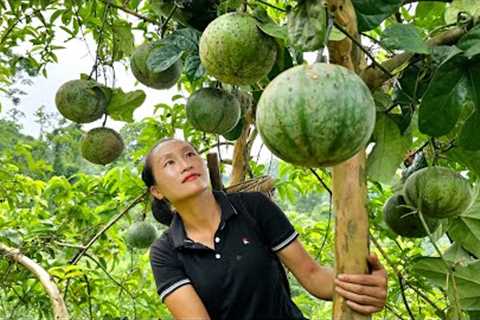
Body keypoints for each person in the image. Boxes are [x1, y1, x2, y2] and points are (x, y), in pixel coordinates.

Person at [142, 137, 388, 320]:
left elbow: (313, 275)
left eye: (190, 154)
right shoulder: (166, 252)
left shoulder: (254, 208)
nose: (186, 164)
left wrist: (360, 286)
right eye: (170, 163)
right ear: (157, 191)